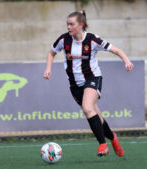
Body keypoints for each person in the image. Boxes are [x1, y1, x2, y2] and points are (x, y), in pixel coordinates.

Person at [43, 11, 134, 157]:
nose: (68, 27)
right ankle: (112, 138)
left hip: (93, 78)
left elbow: (116, 49)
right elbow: (51, 53)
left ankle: (102, 145)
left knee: (87, 108)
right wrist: (48, 69)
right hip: (75, 85)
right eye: (67, 24)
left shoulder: (92, 40)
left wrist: (126, 61)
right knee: (95, 114)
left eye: (72, 24)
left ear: (81, 25)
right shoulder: (64, 39)